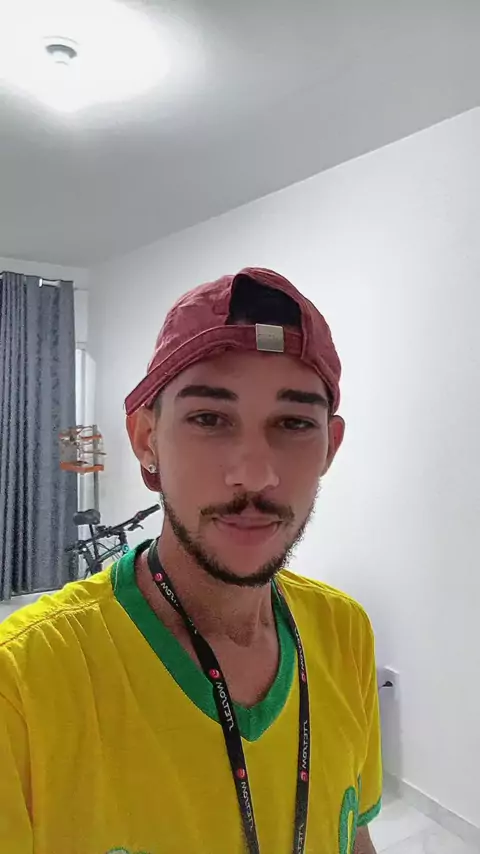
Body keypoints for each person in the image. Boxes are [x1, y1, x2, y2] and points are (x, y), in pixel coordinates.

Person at [0, 267, 381, 853]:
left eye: (293, 423)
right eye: (209, 419)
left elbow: (352, 832)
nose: (254, 474)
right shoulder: (23, 686)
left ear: (329, 446)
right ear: (146, 439)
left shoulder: (344, 631)